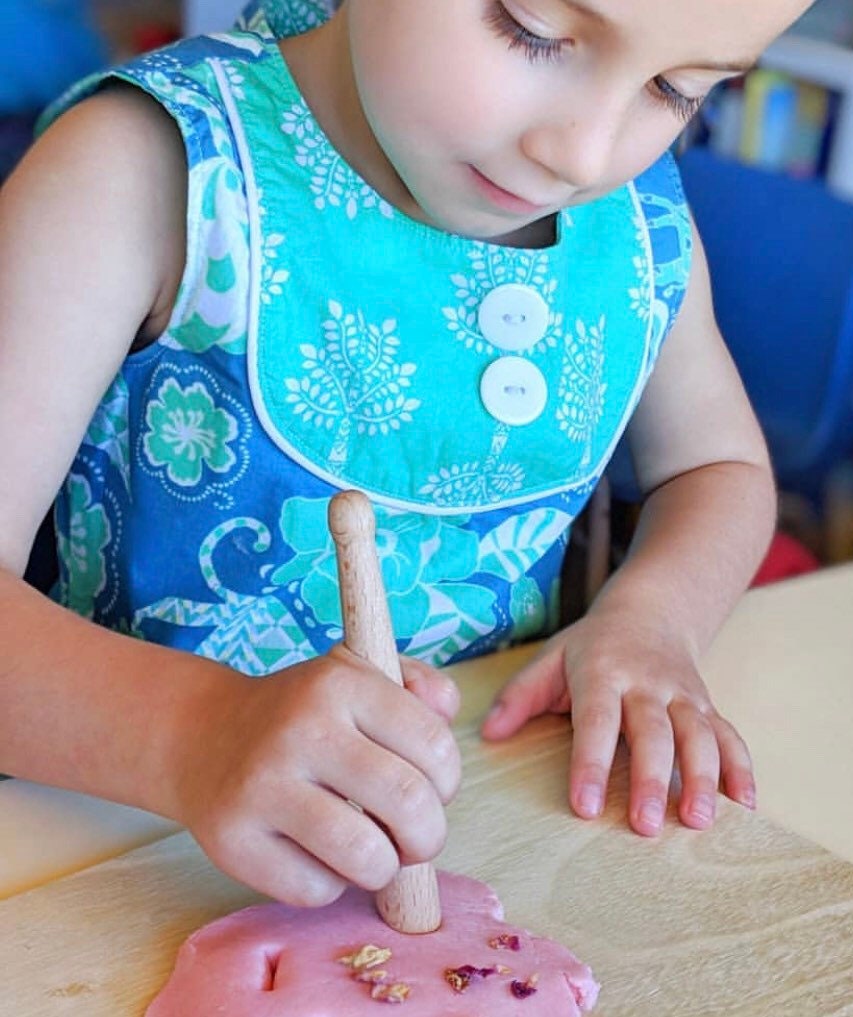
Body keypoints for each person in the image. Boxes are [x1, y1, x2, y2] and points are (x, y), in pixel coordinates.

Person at [0, 0, 807, 907]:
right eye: (530, 27)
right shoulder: (143, 169)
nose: (584, 154)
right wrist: (194, 734)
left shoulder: (638, 215)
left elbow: (717, 470)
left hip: (495, 841)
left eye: (676, 88)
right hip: (114, 862)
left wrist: (654, 617)